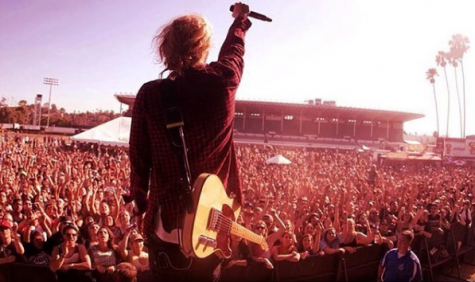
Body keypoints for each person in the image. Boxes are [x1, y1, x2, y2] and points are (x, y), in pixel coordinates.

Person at [128, 2, 252, 282]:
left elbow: (138, 157)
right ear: (205, 47)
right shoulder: (223, 81)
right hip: (211, 230)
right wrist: (239, 21)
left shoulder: (149, 94)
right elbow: (233, 51)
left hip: (165, 225)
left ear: (167, 49)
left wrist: (139, 198)